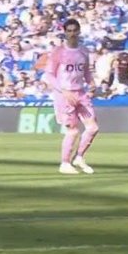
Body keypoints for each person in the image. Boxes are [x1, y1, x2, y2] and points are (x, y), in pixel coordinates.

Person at [43, 18, 99, 174]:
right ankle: (65, 163)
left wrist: (92, 83)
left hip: (80, 92)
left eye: (75, 30)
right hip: (64, 95)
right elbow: (49, 75)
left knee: (93, 128)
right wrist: (64, 91)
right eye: (69, 31)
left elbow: (86, 71)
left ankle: (79, 157)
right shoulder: (58, 52)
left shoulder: (84, 51)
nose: (72, 34)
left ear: (79, 31)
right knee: (73, 131)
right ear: (65, 33)